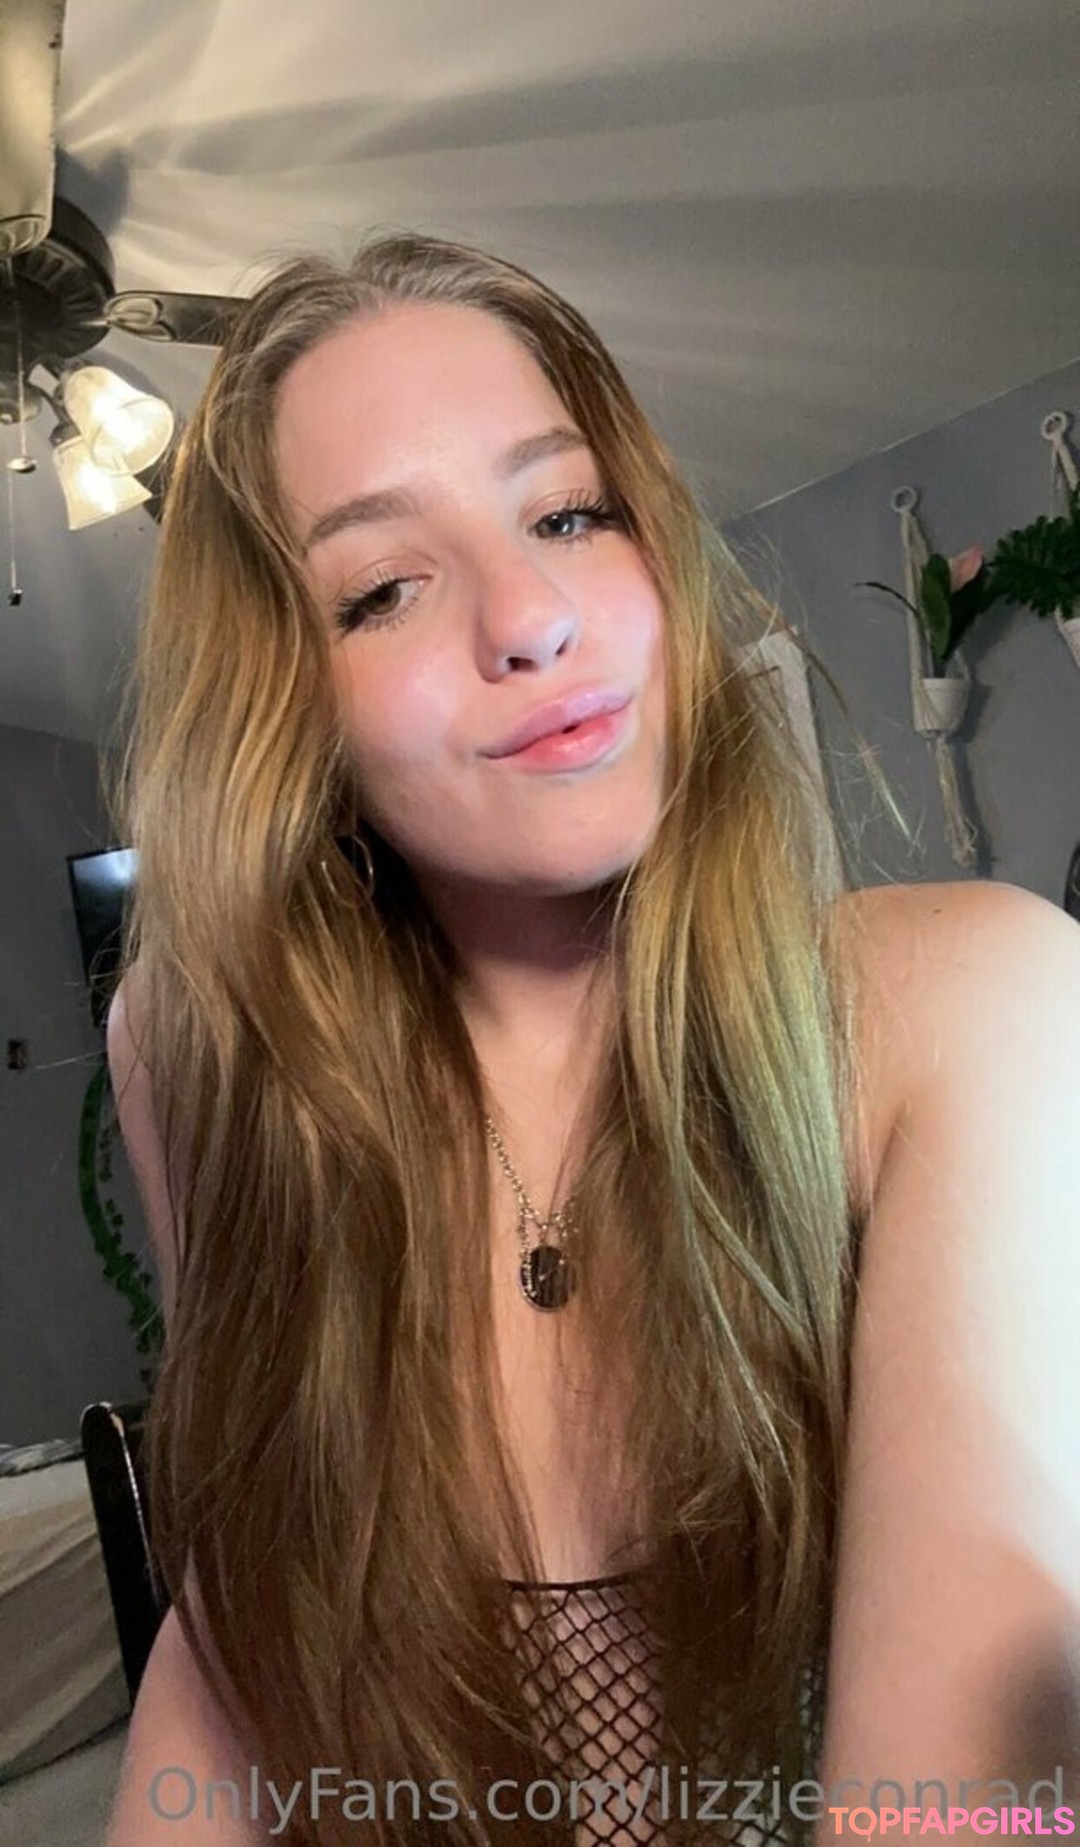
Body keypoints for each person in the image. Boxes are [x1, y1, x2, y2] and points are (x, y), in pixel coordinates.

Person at [102, 230, 1080, 1847]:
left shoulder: (973, 1006)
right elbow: (240, 1627)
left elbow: (984, 1783)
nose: (531, 616)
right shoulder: (208, 1068)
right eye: (383, 589)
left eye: (567, 512)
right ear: (287, 715)